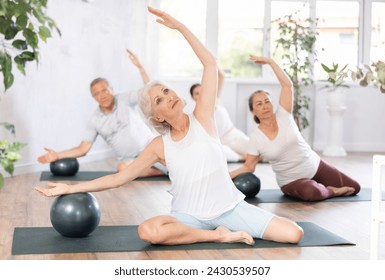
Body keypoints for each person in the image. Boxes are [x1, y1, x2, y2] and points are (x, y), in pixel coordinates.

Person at [35, 6, 303, 246]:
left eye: (167, 90)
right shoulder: (158, 145)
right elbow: (120, 178)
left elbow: (210, 64)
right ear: (158, 116)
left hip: (231, 209)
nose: (170, 96)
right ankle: (218, 235)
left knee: (294, 234)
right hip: (189, 217)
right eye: (160, 99)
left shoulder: (204, 118)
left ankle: (224, 229)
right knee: (149, 231)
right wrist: (70, 188)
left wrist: (181, 28)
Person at [230, 56, 361, 202]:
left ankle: (321, 187)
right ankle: (332, 192)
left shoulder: (284, 115)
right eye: (259, 104)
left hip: (316, 166)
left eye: (267, 101)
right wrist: (225, 177)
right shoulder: (256, 138)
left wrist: (271, 62)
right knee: (311, 192)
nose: (265, 106)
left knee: (355, 187)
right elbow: (249, 167)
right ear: (253, 111)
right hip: (291, 181)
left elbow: (287, 86)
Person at [37, 49, 166, 176]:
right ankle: (159, 172)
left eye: (104, 90)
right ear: (94, 98)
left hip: (151, 148)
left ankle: (163, 168)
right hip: (131, 161)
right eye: (97, 94)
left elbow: (149, 91)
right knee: (122, 168)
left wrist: (141, 67)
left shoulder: (125, 99)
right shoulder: (95, 120)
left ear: (111, 89)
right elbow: (83, 149)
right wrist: (57, 155)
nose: (102, 95)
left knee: (172, 163)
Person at [189, 67, 249, 162]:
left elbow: (221, 76)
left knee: (260, 153)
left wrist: (211, 61)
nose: (200, 95)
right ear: (192, 97)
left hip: (234, 135)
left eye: (201, 91)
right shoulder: (196, 115)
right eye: (196, 93)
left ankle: (247, 157)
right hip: (221, 143)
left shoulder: (215, 99)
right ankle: (240, 158)